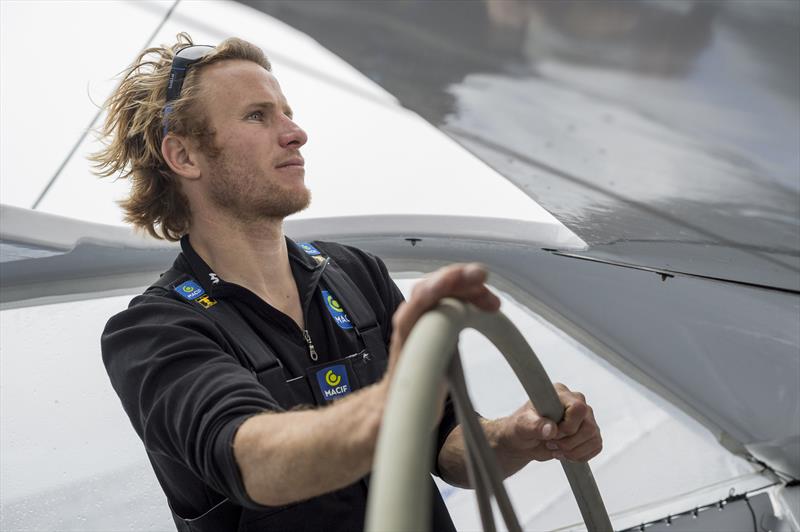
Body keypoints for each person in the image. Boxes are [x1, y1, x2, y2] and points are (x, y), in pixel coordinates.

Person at [94, 33, 602, 531]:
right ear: (183, 157)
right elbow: (255, 463)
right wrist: (392, 405)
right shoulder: (152, 332)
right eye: (257, 115)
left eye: (286, 112)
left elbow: (442, 443)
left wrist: (513, 437)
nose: (295, 132)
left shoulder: (357, 274)